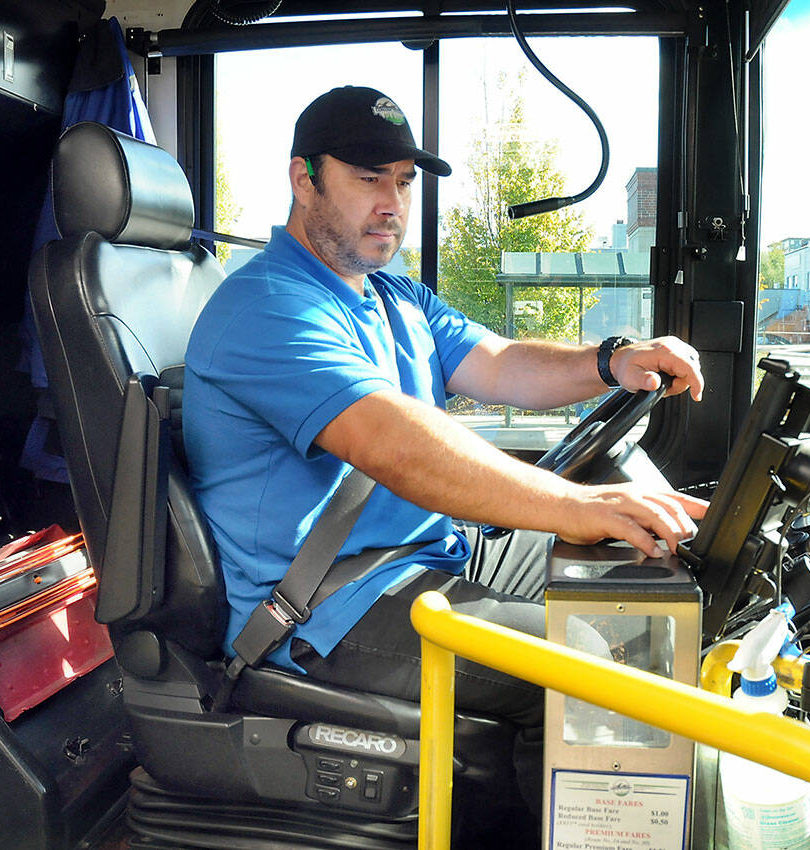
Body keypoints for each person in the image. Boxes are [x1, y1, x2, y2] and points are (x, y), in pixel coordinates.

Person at [181, 84, 706, 809]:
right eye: (369, 178)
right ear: (304, 179)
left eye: (402, 181)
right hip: (332, 605)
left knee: (641, 569)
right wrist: (572, 503)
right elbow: (396, 447)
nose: (393, 203)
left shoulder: (392, 296)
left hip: (427, 551)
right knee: (601, 665)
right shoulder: (268, 306)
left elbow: (498, 363)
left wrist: (611, 359)